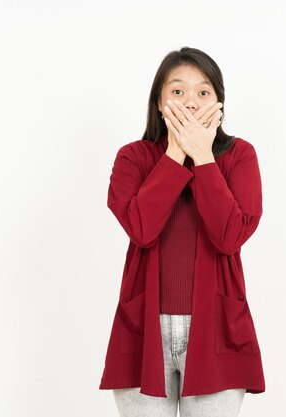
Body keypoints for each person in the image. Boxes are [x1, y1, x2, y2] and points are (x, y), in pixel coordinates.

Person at [99, 46, 265, 417]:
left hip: (217, 328)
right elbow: (141, 228)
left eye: (203, 92)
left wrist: (203, 157)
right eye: (178, 92)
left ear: (219, 103)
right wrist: (176, 152)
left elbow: (229, 237)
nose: (190, 103)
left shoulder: (239, 156)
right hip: (143, 332)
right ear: (159, 102)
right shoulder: (134, 158)